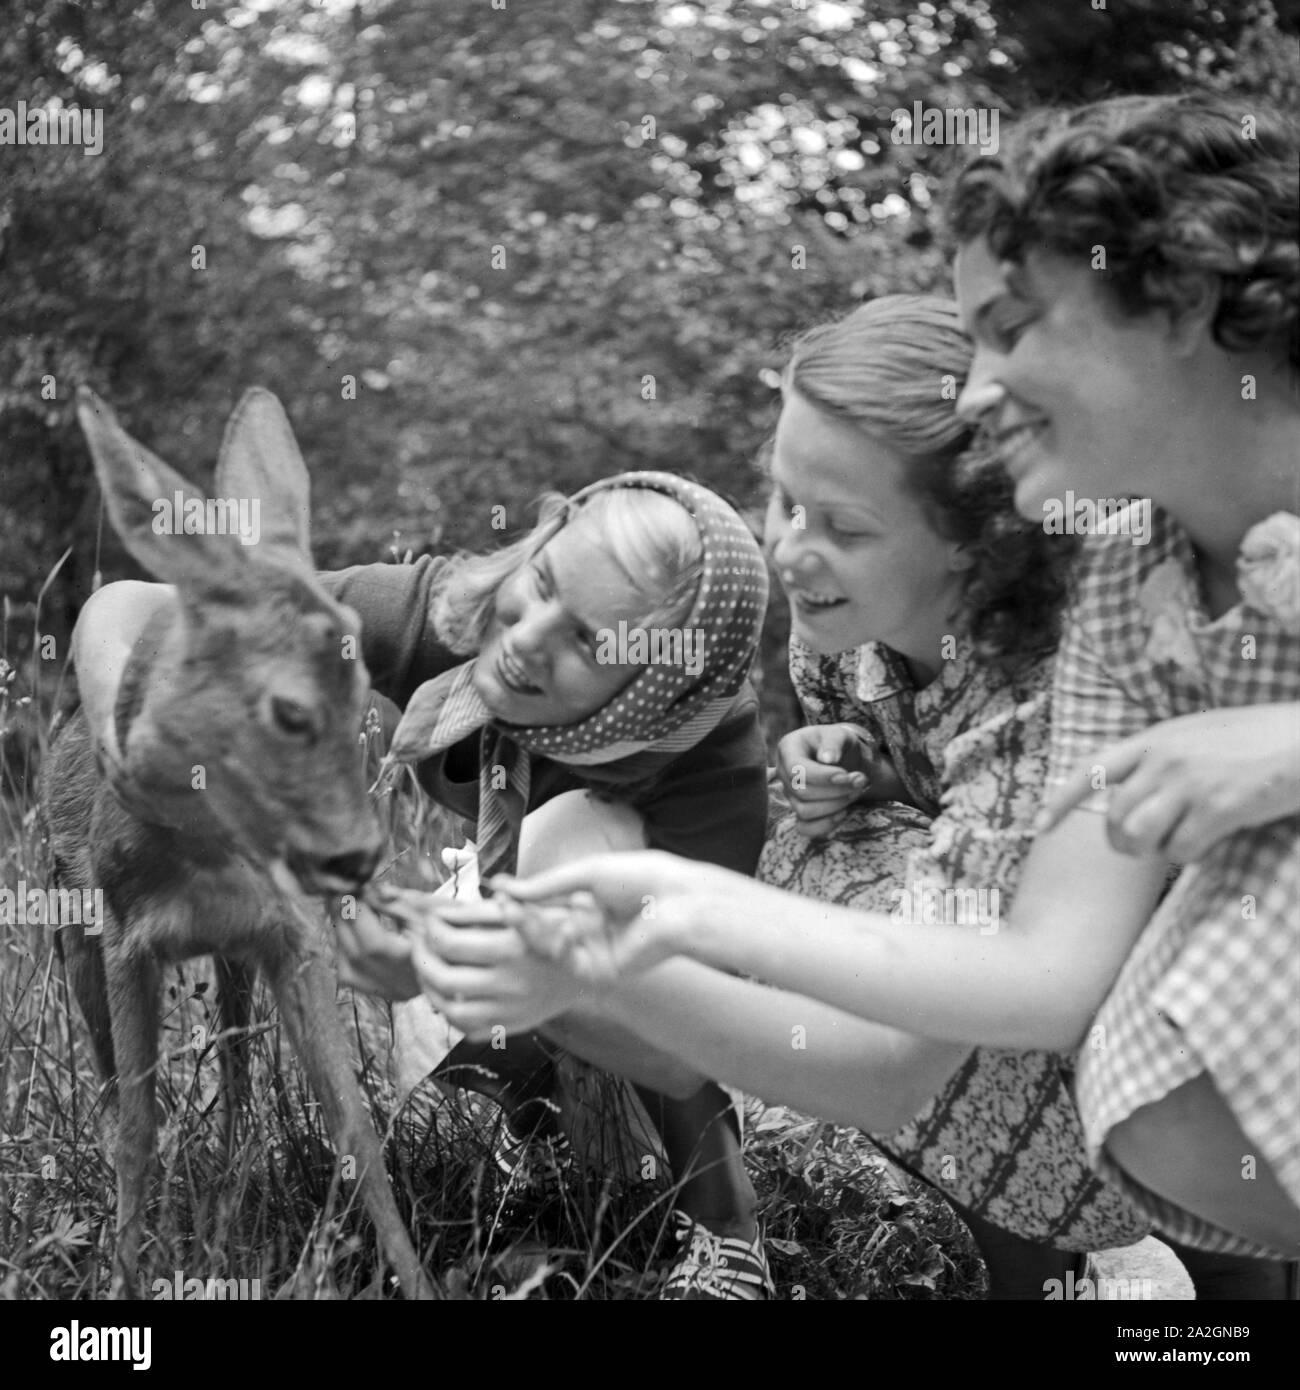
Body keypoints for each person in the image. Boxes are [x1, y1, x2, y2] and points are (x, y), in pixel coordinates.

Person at [413, 95, 1299, 1265]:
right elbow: (1043, 971)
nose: (981, 392)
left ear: (1179, 302)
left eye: (1013, 326)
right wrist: (649, 928)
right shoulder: (1128, 580)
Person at [69, 469, 775, 1300]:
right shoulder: (449, 614)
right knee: (463, 993)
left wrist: (459, 962)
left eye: (588, 641)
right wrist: (126, 739)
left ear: (657, 679)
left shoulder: (710, 775)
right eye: (542, 581)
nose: (525, 637)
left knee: (568, 853)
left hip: (631, 964)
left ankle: (729, 1231)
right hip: (514, 910)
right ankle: (539, 1123)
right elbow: (126, 606)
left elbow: (683, 1042)